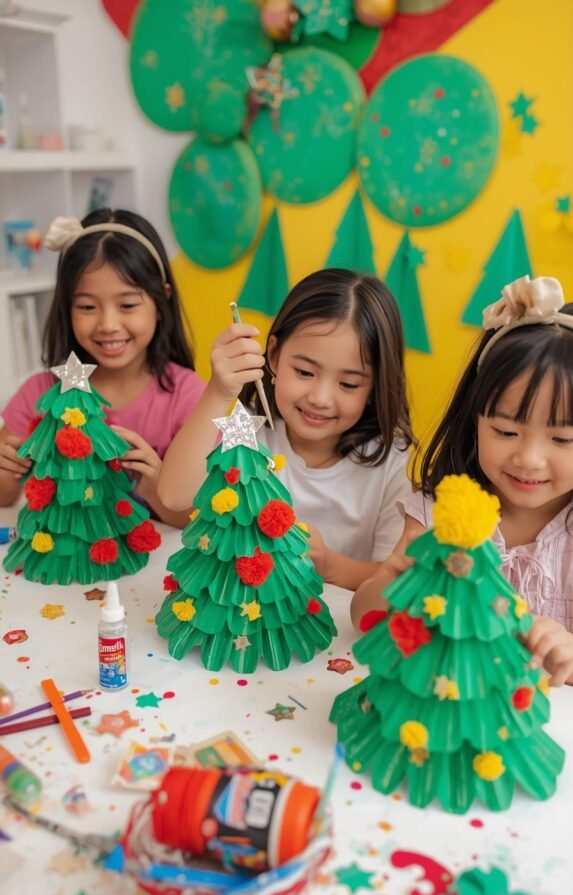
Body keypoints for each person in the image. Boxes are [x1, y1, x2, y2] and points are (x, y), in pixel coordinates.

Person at [351, 275, 573, 686]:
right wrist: (395, 582)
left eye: (563, 439)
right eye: (505, 431)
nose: (529, 459)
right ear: (475, 421)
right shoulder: (440, 511)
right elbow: (363, 617)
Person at [159, 268, 414, 590]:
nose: (320, 398)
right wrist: (218, 392)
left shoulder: (393, 464)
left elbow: (391, 578)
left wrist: (329, 565)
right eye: (305, 372)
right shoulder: (249, 429)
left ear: (375, 385)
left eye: (348, 384)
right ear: (275, 355)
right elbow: (173, 496)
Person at [0, 208, 205, 525]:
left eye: (127, 305)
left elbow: (198, 520)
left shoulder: (189, 397)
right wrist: (7, 468)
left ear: (161, 300)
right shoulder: (40, 393)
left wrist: (156, 489)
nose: (108, 324)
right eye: (87, 306)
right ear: (66, 306)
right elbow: (4, 496)